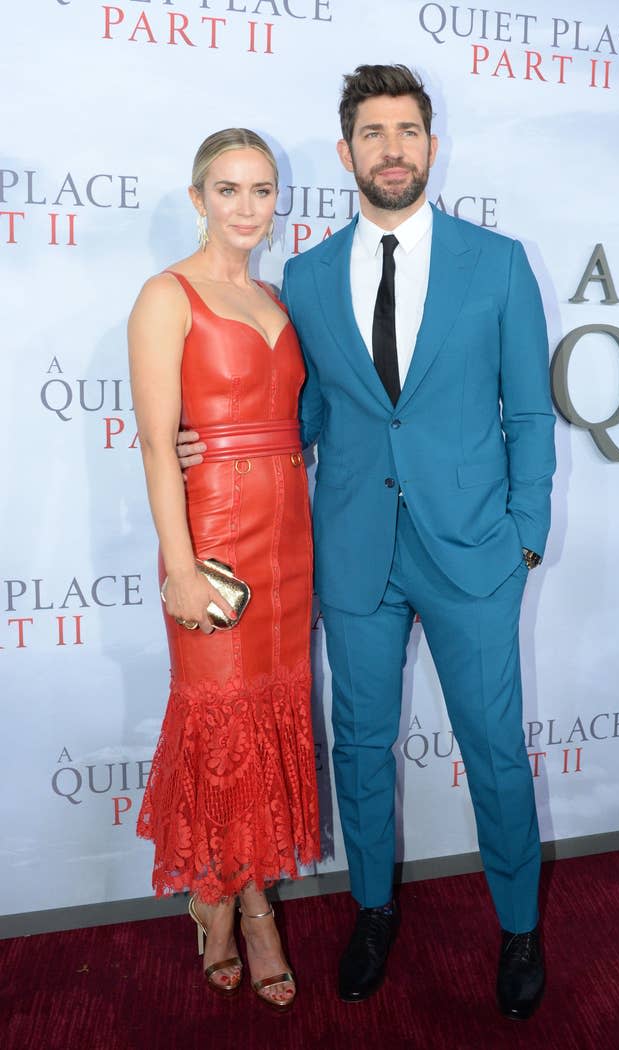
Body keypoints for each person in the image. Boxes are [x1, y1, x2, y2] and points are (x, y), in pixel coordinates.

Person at [178, 65, 556, 1020]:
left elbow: (532, 416)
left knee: (495, 749)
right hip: (351, 553)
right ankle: (374, 911)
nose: (392, 148)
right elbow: (297, 410)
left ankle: (518, 926)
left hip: (474, 553)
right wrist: (210, 438)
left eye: (409, 131)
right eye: (373, 134)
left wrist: (526, 536)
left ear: (432, 147)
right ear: (346, 154)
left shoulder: (499, 263)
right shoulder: (304, 275)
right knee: (359, 745)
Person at [128, 128, 319, 1010]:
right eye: (229, 189)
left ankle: (249, 896)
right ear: (198, 195)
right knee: (219, 729)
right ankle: (234, 909)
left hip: (288, 535)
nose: (248, 207)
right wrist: (178, 566)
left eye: (263, 190)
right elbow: (157, 446)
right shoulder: (167, 295)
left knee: (270, 717)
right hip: (213, 539)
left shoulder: (279, 297)